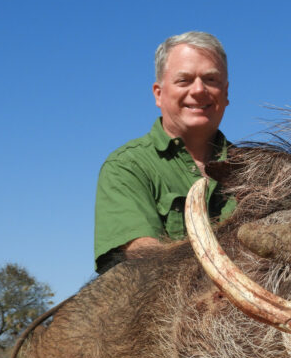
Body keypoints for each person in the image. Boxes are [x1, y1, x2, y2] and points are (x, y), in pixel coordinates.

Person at [94, 32, 236, 274]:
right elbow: (141, 253)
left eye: (211, 79)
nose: (199, 90)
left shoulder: (260, 169)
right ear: (158, 94)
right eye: (184, 80)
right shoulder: (126, 166)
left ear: (225, 92)